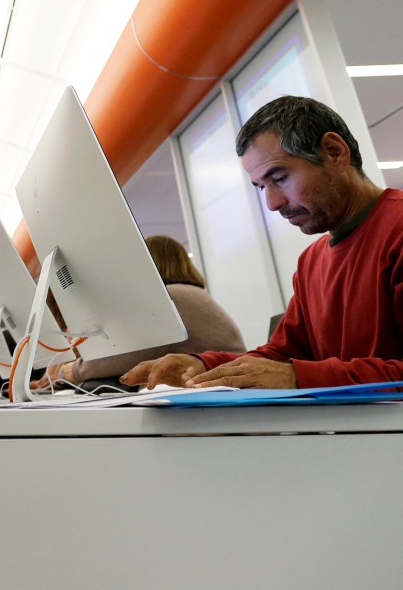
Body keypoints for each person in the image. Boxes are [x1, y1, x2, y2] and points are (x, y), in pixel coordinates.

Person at [121, 95, 403, 391]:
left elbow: (289, 371)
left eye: (279, 178)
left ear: (334, 152)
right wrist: (205, 365)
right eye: (261, 187)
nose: (272, 203)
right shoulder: (312, 261)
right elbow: (281, 357)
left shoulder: (396, 228)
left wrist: (298, 377)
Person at [30, 235, 246, 393]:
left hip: (220, 403)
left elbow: (120, 355)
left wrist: (68, 373)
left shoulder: (173, 298)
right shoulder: (192, 296)